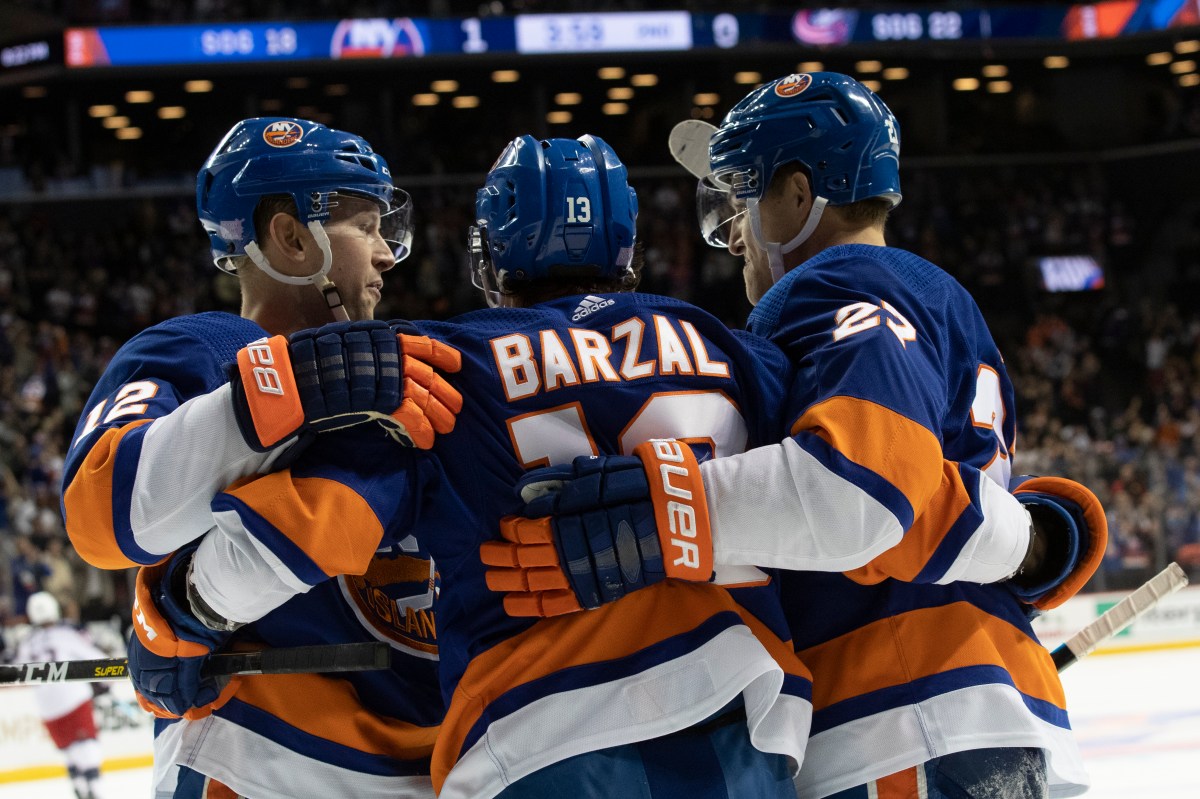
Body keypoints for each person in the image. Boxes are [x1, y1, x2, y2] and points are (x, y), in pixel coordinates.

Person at [485, 74, 1106, 799]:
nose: (734, 233)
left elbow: (866, 488)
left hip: (902, 713)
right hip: (975, 701)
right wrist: (1024, 537)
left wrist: (662, 512)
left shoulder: (841, 282)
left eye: (744, 199)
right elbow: (924, 489)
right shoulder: (929, 293)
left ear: (800, 197)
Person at [172, 133, 814, 799]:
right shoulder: (744, 356)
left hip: (537, 737)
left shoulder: (444, 362)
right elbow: (826, 500)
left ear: (495, 250)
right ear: (627, 242)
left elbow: (310, 525)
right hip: (743, 720)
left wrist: (185, 609)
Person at [59, 117, 462, 798]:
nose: (388, 254)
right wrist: (287, 390)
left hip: (435, 768)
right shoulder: (197, 347)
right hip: (260, 762)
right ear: (291, 236)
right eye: (366, 226)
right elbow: (99, 514)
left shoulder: (414, 364)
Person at [14, 591, 108, 799]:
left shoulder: (26, 643)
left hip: (47, 707)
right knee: (87, 744)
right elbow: (97, 659)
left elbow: (17, 672)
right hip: (73, 698)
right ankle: (94, 787)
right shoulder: (65, 634)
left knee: (69, 748)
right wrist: (106, 684)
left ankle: (79, 783)